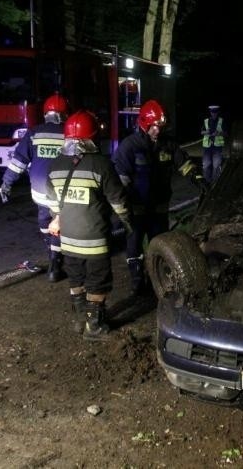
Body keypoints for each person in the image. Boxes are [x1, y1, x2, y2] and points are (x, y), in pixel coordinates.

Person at [45, 110, 133, 341]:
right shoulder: (101, 164)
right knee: (98, 280)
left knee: (76, 277)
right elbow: (118, 201)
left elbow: (53, 203)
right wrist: (128, 223)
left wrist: (57, 217)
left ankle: (80, 320)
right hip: (94, 239)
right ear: (92, 137)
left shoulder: (55, 165)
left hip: (68, 239)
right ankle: (94, 327)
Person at [112, 99, 200, 294]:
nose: (157, 131)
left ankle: (159, 278)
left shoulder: (168, 144)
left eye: (160, 127)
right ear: (144, 123)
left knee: (159, 243)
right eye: (153, 127)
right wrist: (121, 206)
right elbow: (121, 179)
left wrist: (198, 178)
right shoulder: (130, 146)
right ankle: (136, 280)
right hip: (137, 208)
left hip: (159, 206)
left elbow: (184, 164)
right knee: (134, 244)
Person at [0, 92, 69, 282]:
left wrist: (6, 184)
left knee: (45, 223)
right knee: (58, 226)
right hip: (61, 193)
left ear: (45, 113)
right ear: (64, 115)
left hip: (39, 192)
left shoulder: (34, 133)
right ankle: (55, 264)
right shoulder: (69, 134)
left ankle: (52, 253)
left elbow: (18, 162)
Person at [200, 104, 225, 184]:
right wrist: (206, 132)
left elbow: (226, 133)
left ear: (218, 112)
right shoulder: (206, 121)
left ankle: (215, 183)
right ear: (210, 112)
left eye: (215, 112)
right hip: (207, 147)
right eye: (212, 112)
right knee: (206, 165)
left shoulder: (221, 121)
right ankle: (207, 183)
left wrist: (220, 133)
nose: (214, 113)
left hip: (217, 148)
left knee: (216, 165)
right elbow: (202, 131)